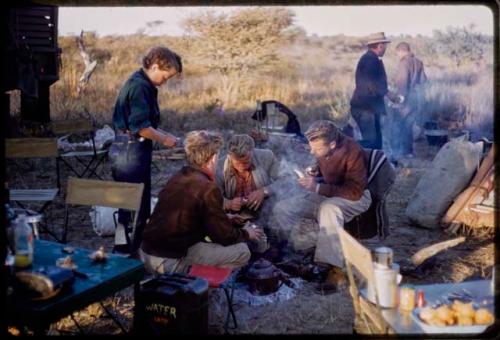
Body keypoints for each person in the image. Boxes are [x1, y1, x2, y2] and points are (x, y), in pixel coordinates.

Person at [139, 130, 263, 274]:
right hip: (168, 261)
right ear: (213, 158)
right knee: (242, 252)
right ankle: (196, 283)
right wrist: (247, 233)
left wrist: (225, 218)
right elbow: (224, 236)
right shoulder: (208, 187)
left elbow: (188, 216)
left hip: (146, 253)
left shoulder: (179, 176)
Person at [270, 120, 372, 294]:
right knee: (283, 208)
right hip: (329, 193)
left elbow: (354, 191)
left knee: (328, 210)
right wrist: (315, 169)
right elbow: (324, 162)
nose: (312, 151)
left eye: (316, 149)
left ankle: (334, 270)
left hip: (355, 197)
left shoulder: (353, 151)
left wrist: (317, 187)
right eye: (311, 147)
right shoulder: (325, 146)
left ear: (332, 144)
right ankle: (293, 253)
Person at [109, 46, 182, 254]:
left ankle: (123, 248)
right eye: (165, 77)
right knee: (137, 205)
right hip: (130, 152)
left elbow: (148, 125)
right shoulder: (140, 86)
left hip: (127, 148)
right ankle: (133, 252)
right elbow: (140, 127)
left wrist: (167, 136)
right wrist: (164, 139)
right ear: (156, 66)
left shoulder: (142, 82)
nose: (165, 81)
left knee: (127, 203)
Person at [216, 134, 281, 227]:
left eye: (246, 162)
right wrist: (228, 204)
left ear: (253, 152)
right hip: (234, 216)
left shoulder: (266, 157)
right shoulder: (219, 167)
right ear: (229, 156)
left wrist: (265, 191)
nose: (242, 167)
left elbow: (285, 180)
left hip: (265, 211)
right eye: (237, 163)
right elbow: (213, 198)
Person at [350, 32, 400, 150]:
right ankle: (348, 152)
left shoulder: (373, 59)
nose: (386, 48)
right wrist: (388, 94)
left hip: (370, 108)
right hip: (365, 108)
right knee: (370, 142)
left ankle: (376, 166)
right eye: (385, 45)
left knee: (377, 143)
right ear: (380, 45)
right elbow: (371, 84)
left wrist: (386, 93)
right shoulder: (369, 60)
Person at [391, 41, 427, 158]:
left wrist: (398, 101)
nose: (398, 56)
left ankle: (400, 151)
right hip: (415, 98)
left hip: (405, 100)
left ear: (402, 51)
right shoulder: (419, 62)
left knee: (400, 125)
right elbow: (423, 81)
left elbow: (402, 84)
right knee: (409, 125)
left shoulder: (404, 63)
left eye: (398, 53)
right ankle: (409, 152)